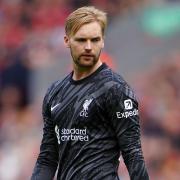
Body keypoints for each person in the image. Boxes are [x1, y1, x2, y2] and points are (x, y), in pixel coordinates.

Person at [31, 6, 149, 180]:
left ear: (102, 41)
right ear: (67, 41)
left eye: (94, 40)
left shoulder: (116, 89)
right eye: (81, 40)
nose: (88, 47)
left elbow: (133, 154)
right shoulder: (54, 92)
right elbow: (48, 158)